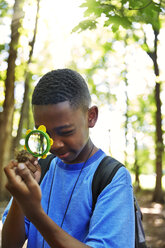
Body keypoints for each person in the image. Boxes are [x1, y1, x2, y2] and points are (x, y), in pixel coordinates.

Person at [2, 69, 135, 248]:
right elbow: (9, 244)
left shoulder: (112, 178)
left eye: (66, 132)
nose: (55, 144)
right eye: (45, 135)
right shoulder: (41, 170)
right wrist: (20, 199)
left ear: (91, 117)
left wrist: (36, 214)